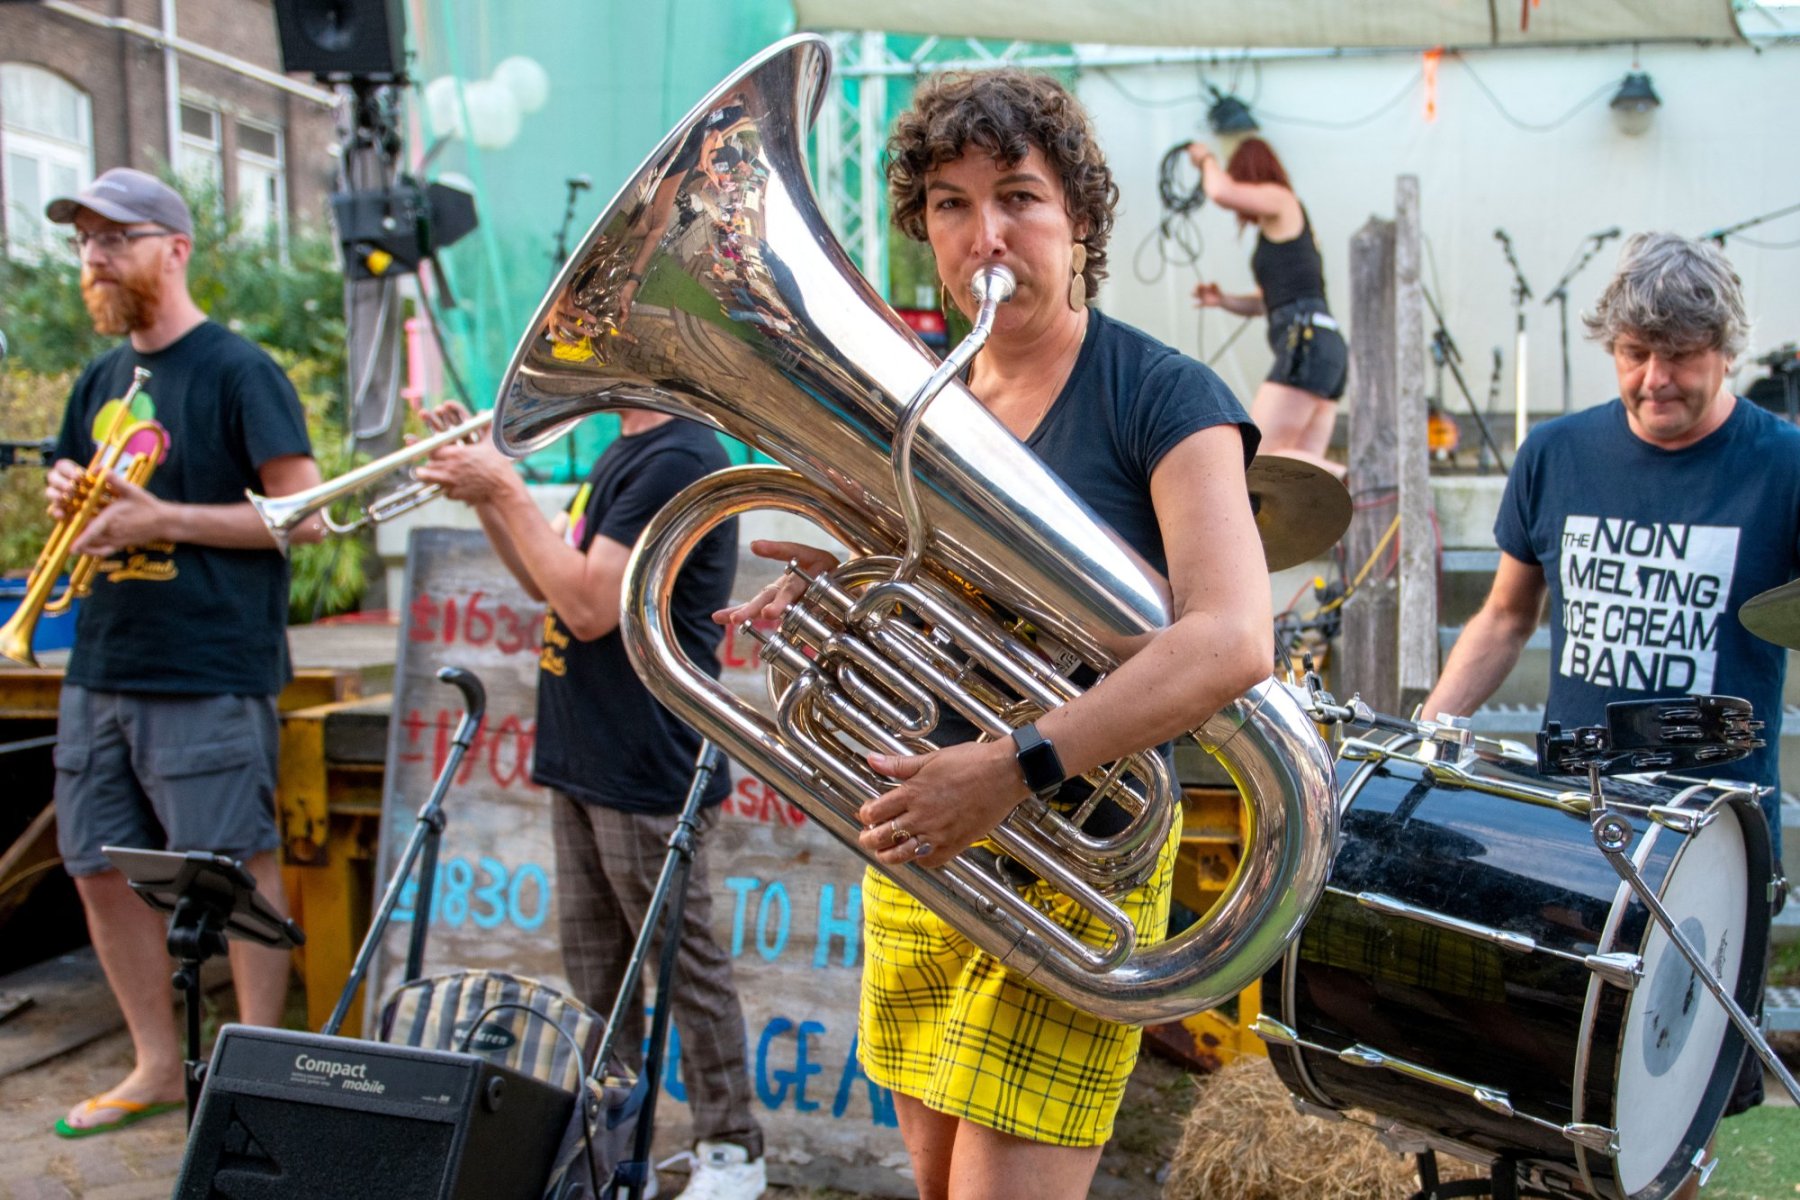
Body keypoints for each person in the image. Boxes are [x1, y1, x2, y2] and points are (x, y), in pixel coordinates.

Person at [717, 69, 1271, 1200]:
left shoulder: (1165, 396)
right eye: (952, 206)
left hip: (1078, 853)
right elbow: (931, 601)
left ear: (1080, 218)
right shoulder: (925, 404)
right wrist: (841, 593)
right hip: (932, 838)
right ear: (925, 231)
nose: (988, 236)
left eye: (1019, 197)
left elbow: (1230, 641)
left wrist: (1013, 769)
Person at [1422, 232, 1798, 1134]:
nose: (1654, 380)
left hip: (1716, 837)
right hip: (1577, 826)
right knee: (1556, 1078)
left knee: (1675, 1106)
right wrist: (1430, 724)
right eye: (1635, 354)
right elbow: (1506, 616)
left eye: (1681, 356)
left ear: (1726, 351)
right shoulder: (1556, 453)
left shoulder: (1784, 466)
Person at [412, 404, 766, 1200]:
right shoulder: (625, 453)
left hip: (646, 760)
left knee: (684, 969)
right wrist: (487, 497)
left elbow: (586, 607)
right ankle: (616, 1153)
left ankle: (732, 1153)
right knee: (598, 979)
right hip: (586, 752)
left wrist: (503, 486)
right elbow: (545, 578)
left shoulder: (678, 459)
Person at [38, 168, 324, 1137]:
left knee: (230, 867)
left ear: (175, 248)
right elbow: (88, 506)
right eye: (86, 240)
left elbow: (304, 515)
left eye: (116, 237)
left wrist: (166, 519)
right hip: (103, 660)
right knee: (92, 866)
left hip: (207, 663)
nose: (96, 256)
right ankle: (158, 1065)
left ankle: (260, 1074)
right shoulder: (101, 380)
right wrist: (68, 501)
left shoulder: (240, 370)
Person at [1185, 136, 1347, 475]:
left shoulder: (1281, 199)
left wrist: (1206, 159)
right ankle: (1350, 481)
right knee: (1299, 479)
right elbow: (1266, 302)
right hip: (1323, 346)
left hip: (1306, 344)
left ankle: (1355, 478)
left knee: (1258, 458)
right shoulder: (1282, 223)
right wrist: (1223, 300)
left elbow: (1220, 192)